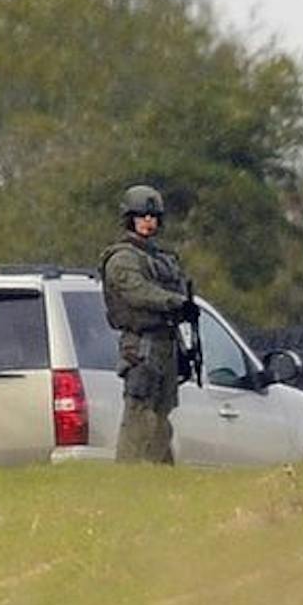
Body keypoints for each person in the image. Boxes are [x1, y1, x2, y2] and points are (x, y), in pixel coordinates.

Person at [100, 184, 193, 463]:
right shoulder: (122, 258)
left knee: (162, 415)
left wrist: (184, 308)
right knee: (139, 413)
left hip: (167, 342)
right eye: (142, 216)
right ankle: (129, 473)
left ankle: (157, 473)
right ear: (130, 219)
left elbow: (178, 289)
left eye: (153, 217)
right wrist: (175, 302)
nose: (148, 222)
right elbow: (138, 292)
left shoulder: (162, 258)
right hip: (141, 344)